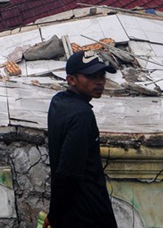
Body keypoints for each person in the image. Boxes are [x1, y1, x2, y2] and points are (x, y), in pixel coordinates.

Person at [45, 50, 118, 228]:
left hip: (69, 212)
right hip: (87, 214)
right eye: (92, 76)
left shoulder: (58, 102)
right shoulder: (82, 116)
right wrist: (53, 215)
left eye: (102, 75)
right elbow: (68, 172)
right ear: (71, 80)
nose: (100, 82)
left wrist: (56, 213)